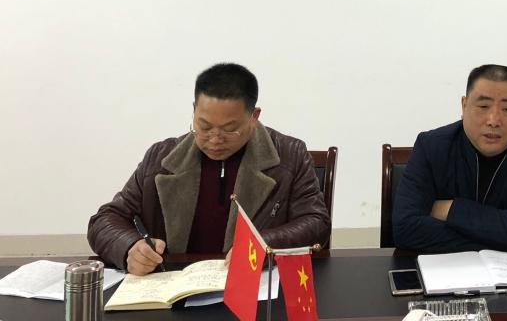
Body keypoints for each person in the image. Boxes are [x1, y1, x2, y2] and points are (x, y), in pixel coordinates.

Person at [88, 63, 331, 274]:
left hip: (251, 286)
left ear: (254, 116)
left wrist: (263, 244)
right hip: (174, 286)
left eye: (230, 129)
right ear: (194, 109)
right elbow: (104, 220)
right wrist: (129, 247)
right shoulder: (161, 158)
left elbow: (316, 222)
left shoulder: (289, 155)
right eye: (204, 127)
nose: (214, 140)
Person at [392, 64, 507, 252]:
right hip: (439, 267)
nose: (493, 120)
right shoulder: (431, 146)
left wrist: (451, 210)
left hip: (504, 270)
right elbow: (405, 230)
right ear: (464, 105)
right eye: (483, 106)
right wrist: (503, 237)